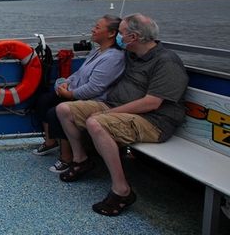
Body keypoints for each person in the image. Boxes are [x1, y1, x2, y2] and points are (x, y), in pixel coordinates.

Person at [56, 13, 188, 216]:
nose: (117, 37)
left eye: (121, 33)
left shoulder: (166, 62)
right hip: (116, 107)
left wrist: (110, 113)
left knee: (96, 123)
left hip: (154, 121)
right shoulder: (132, 55)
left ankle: (121, 190)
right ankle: (81, 159)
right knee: (64, 109)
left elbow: (152, 103)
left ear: (133, 37)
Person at [32, 15, 125, 173]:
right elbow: (80, 74)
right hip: (74, 91)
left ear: (111, 33)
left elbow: (95, 88)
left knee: (55, 112)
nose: (92, 30)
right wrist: (65, 82)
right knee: (43, 100)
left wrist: (69, 95)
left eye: (97, 27)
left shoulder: (114, 58)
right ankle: (50, 142)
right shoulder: (97, 52)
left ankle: (67, 158)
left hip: (93, 100)